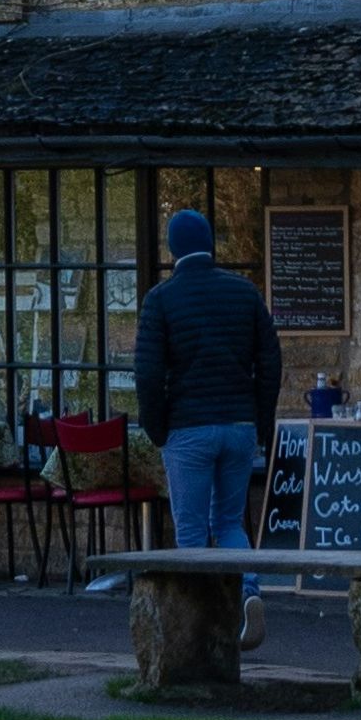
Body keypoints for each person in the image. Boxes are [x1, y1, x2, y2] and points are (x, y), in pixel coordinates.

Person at [132, 205, 282, 553]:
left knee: (191, 532)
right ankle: (248, 592)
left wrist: (157, 428)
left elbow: (149, 373)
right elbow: (271, 359)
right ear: (210, 244)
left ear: (173, 249)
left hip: (188, 427)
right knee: (230, 524)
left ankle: (202, 607)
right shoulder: (245, 292)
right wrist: (261, 420)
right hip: (239, 423)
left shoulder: (161, 299)